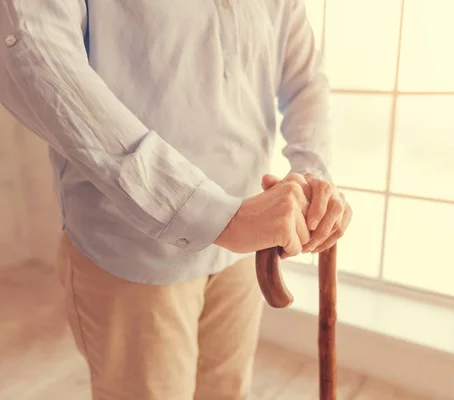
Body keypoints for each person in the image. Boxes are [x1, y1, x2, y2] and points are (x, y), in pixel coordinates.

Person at [0, 1, 352, 399]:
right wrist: (210, 214)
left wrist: (311, 174)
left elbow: (305, 80)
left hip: (246, 242)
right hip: (135, 253)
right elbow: (35, 54)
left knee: (228, 391)